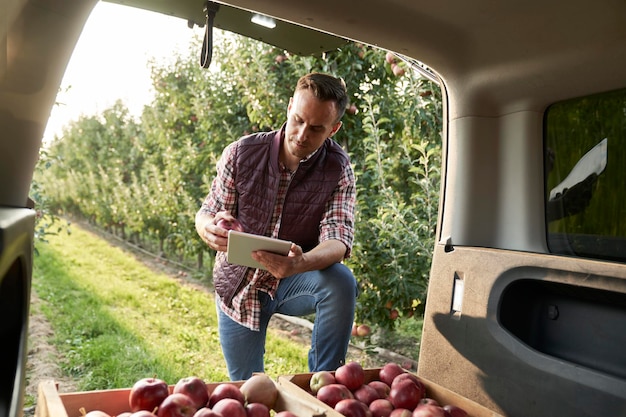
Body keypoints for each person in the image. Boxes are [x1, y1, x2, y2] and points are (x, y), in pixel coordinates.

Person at [195, 72, 358, 381]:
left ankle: (327, 387)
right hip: (240, 287)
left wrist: (301, 263)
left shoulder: (338, 169)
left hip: (293, 279)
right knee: (247, 389)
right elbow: (209, 211)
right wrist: (207, 227)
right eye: (298, 120)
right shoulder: (242, 153)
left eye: (316, 128)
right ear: (289, 108)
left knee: (340, 282)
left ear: (334, 128)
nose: (301, 135)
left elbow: (339, 237)